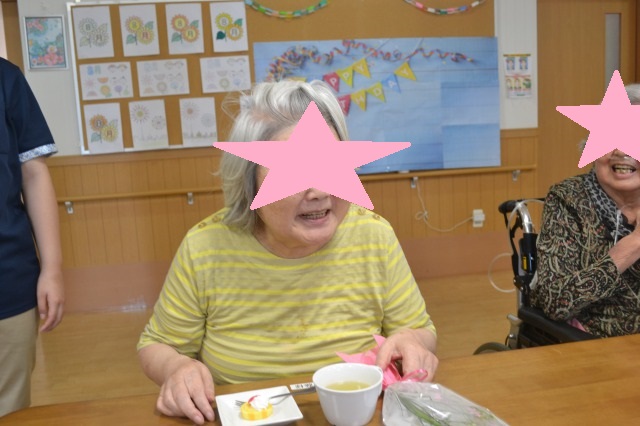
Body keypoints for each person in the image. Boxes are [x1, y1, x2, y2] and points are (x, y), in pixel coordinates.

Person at [137, 80, 438, 424]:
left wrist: (412, 341)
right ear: (248, 181)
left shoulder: (374, 235)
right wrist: (176, 367)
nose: (320, 190)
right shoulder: (205, 246)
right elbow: (157, 345)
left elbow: (420, 330)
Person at [530, 84, 640, 338]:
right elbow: (555, 301)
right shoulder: (569, 199)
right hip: (596, 341)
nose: (622, 151)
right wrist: (633, 244)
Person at [0, 58, 65, 416]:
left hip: (8, 279)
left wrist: (52, 269)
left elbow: (34, 174)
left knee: (9, 409)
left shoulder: (6, 79)